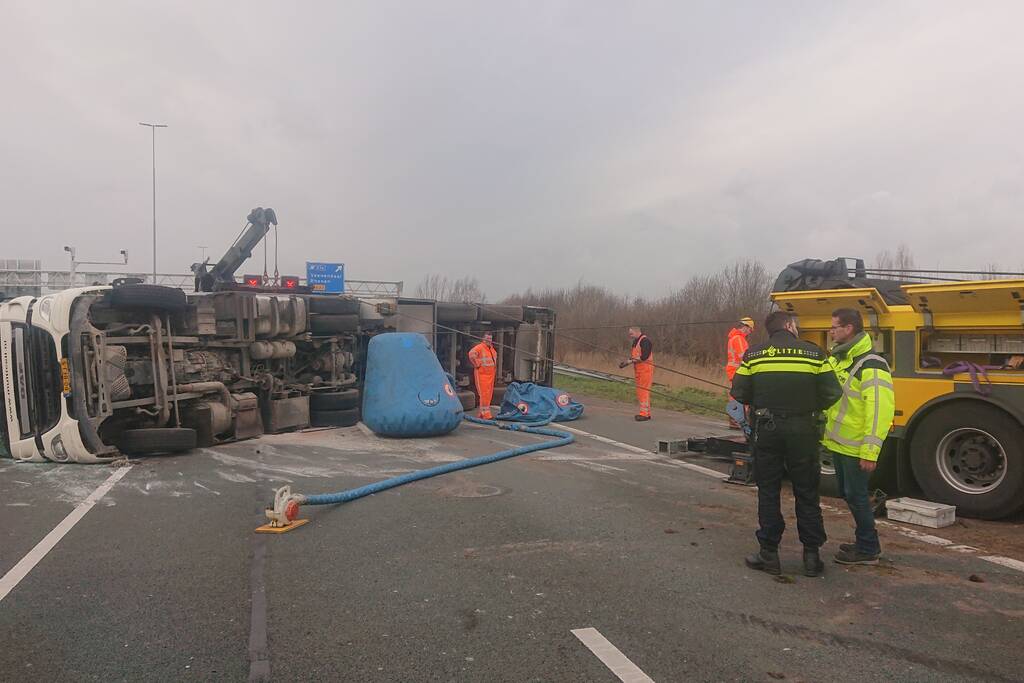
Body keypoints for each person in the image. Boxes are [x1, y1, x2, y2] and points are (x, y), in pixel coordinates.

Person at [730, 311, 842, 577]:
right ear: (790, 326)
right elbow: (832, 392)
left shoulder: (754, 354)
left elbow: (739, 392)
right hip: (803, 430)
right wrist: (807, 408)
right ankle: (812, 557)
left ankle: (769, 553)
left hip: (767, 430)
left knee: (768, 491)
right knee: (807, 491)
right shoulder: (815, 354)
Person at [823, 308, 895, 565]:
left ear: (849, 328)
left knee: (857, 496)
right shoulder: (839, 358)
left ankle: (868, 548)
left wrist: (869, 451)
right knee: (849, 494)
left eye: (835, 327)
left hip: (856, 448)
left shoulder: (871, 364)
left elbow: (879, 412)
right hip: (841, 444)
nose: (831, 331)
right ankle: (865, 543)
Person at [725, 317, 755, 431]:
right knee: (738, 396)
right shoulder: (739, 339)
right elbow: (745, 356)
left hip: (734, 371)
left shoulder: (734, 338)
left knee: (736, 395)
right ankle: (736, 421)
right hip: (738, 371)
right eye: (750, 330)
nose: (750, 332)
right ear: (745, 327)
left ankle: (736, 421)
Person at [619, 327, 653, 421]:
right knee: (640, 392)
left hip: (645, 369)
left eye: (631, 333)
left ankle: (644, 414)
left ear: (637, 331)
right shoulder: (636, 341)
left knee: (643, 392)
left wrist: (630, 362)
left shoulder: (645, 341)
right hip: (638, 370)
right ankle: (646, 413)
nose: (630, 336)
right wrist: (626, 362)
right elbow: (635, 356)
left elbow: (644, 356)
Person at [468, 332, 498, 419]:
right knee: (484, 394)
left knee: (488, 394)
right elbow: (471, 354)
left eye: (490, 338)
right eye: (487, 338)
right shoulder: (480, 348)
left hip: (490, 375)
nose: (489, 340)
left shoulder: (491, 349)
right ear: (483, 339)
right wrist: (477, 364)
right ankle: (486, 414)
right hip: (482, 375)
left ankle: (483, 413)